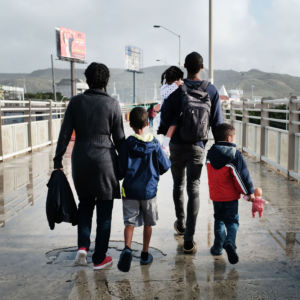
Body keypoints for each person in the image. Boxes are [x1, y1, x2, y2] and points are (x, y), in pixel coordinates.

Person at [53, 62, 125, 270]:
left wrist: (58, 160)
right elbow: (120, 139)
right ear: (106, 81)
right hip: (105, 162)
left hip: (81, 159)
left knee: (85, 205)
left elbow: (65, 134)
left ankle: (83, 248)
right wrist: (126, 165)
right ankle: (99, 258)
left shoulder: (75, 102)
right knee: (104, 211)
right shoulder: (112, 104)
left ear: (87, 80)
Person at [158, 52, 223, 254]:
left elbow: (165, 120)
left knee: (178, 184)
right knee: (194, 187)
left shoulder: (177, 91)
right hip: (198, 146)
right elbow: (218, 124)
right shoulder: (211, 90)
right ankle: (189, 239)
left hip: (177, 145)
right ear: (201, 67)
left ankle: (181, 223)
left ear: (185, 67)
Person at [117, 107, 170, 272]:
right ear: (147, 123)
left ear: (130, 124)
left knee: (129, 223)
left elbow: (120, 171)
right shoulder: (154, 144)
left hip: (130, 190)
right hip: (149, 191)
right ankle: (145, 253)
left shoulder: (127, 144)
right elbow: (165, 166)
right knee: (148, 223)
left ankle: (127, 248)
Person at [206, 123, 255, 264]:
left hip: (216, 196)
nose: (235, 141)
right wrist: (248, 192)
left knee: (219, 220)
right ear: (229, 138)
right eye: (234, 138)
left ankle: (217, 248)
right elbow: (242, 176)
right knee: (232, 221)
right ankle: (230, 243)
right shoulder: (235, 155)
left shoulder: (210, 153)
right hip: (230, 197)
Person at [156, 66, 184, 154]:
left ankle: (165, 144)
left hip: (164, 116)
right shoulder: (173, 87)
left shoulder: (164, 87)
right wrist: (178, 83)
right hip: (169, 116)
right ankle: (165, 144)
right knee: (175, 122)